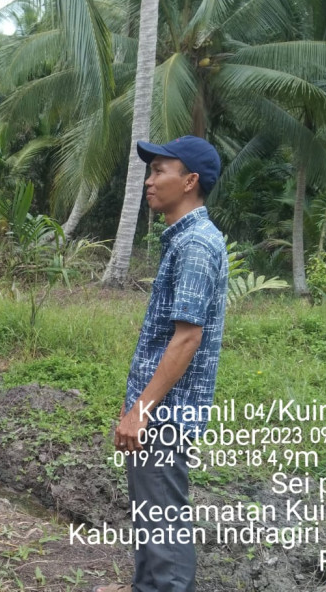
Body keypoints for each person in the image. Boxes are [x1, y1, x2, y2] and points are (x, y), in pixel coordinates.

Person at [95, 136, 227, 592]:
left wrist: (142, 410)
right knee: (152, 516)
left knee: (164, 526)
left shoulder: (196, 245)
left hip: (165, 414)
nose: (149, 181)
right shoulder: (185, 239)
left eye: (159, 171)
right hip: (160, 410)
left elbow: (187, 338)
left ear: (189, 181)